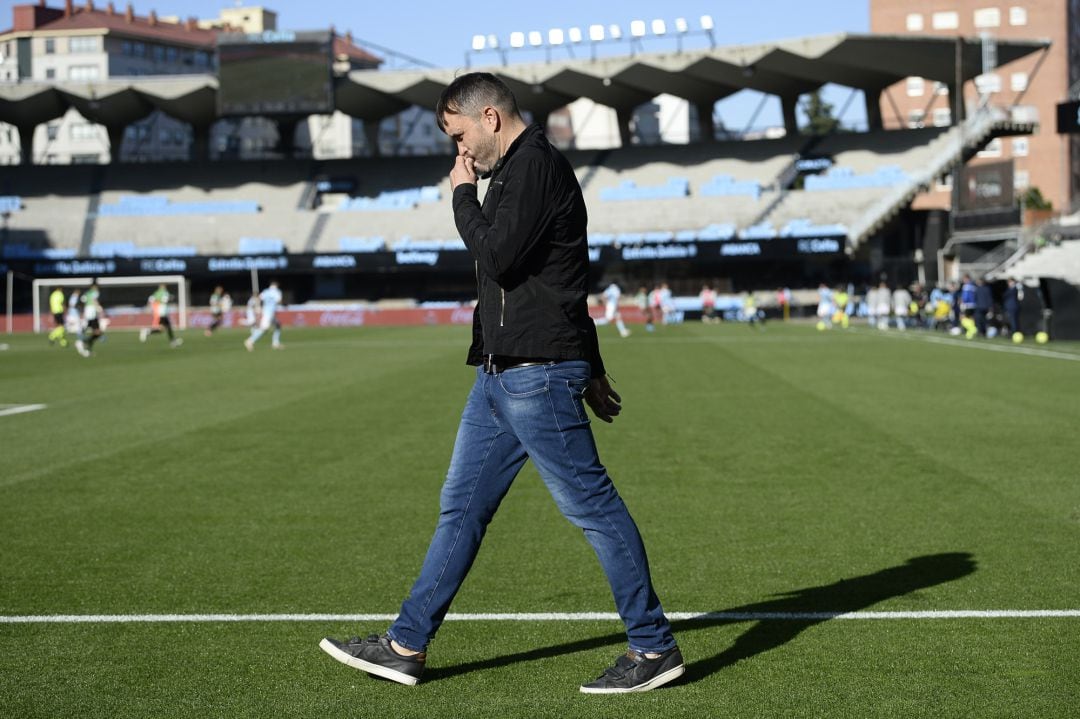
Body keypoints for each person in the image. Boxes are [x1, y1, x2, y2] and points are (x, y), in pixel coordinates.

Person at [319, 72, 683, 694]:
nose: (458, 153)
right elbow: (562, 281)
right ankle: (406, 644)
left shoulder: (534, 165)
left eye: (459, 136)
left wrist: (461, 196)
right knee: (461, 509)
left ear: (489, 117)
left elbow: (501, 258)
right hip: (501, 376)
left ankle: (653, 648)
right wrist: (592, 367)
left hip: (536, 375)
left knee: (593, 508)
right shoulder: (513, 174)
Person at [244, 280, 283, 350]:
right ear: (276, 286)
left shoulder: (266, 291)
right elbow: (279, 301)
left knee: (278, 325)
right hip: (269, 313)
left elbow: (259, 298)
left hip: (266, 311)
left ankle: (275, 343)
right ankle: (250, 341)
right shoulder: (277, 292)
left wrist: (257, 307)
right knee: (264, 328)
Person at [74, 282, 104, 357]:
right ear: (94, 287)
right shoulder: (95, 293)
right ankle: (82, 342)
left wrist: (83, 311)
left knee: (96, 332)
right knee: (97, 332)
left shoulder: (87, 293)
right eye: (96, 287)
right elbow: (94, 300)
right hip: (92, 314)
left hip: (88, 314)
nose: (97, 289)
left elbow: (82, 301)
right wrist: (99, 309)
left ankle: (86, 346)